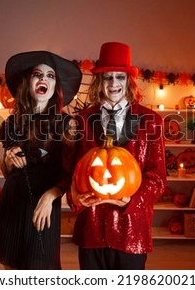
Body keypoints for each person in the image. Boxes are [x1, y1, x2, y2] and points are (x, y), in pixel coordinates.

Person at [68, 42, 166, 269]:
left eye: (119, 77)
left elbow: (157, 177)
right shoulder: (81, 120)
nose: (113, 84)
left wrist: (131, 201)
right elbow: (72, 169)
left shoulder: (151, 121)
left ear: (128, 81)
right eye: (107, 77)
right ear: (99, 82)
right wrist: (74, 195)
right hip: (91, 228)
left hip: (130, 229)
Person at [0, 50, 82, 269]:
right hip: (12, 204)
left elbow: (70, 175)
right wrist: (10, 160)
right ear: (28, 82)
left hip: (45, 207)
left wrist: (50, 197)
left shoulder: (66, 124)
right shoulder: (11, 124)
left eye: (50, 76)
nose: (43, 79)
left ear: (55, 87)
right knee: (12, 269)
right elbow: (7, 172)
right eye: (37, 74)